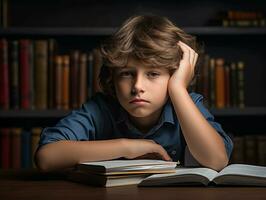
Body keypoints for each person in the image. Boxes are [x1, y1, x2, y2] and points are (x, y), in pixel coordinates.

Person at [35, 15, 233, 172]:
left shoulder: (185, 104)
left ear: (174, 76)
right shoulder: (101, 109)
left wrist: (178, 89)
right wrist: (128, 147)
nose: (138, 86)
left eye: (153, 73)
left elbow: (216, 160)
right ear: (112, 77)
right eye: (127, 73)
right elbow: (46, 157)